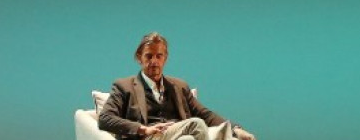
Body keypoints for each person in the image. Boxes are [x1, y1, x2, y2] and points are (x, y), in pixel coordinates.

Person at [98, 32, 256, 140]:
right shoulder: (124, 86)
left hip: (177, 135)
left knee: (188, 138)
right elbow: (104, 119)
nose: (154, 61)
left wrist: (235, 129)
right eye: (149, 56)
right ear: (139, 58)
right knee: (196, 124)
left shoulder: (179, 87)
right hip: (148, 137)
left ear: (165, 58)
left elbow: (205, 113)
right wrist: (143, 129)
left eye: (159, 56)